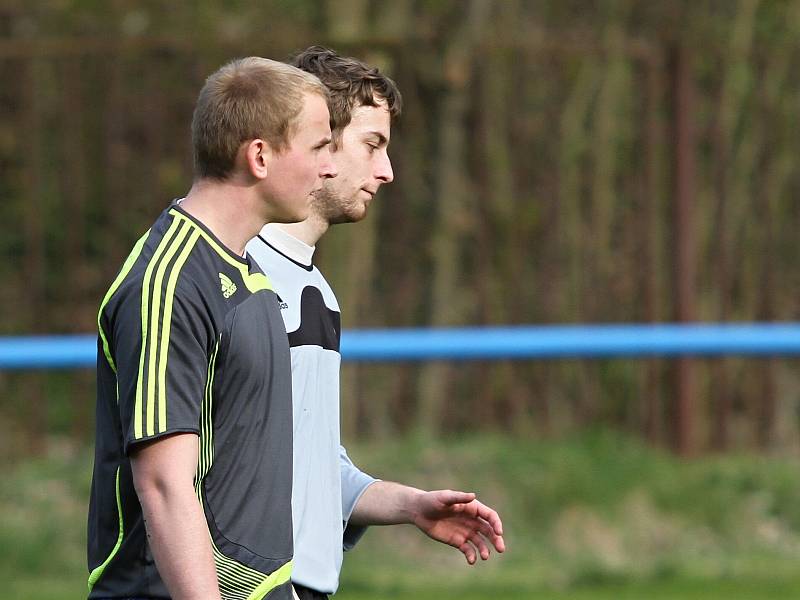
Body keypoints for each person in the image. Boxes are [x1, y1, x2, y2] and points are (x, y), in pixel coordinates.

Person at [246, 46, 505, 600]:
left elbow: (311, 470)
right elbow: (192, 473)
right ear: (318, 142)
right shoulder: (235, 281)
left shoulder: (315, 292)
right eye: (373, 145)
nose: (387, 172)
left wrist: (411, 505)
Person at [87, 57, 336, 600]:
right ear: (260, 156)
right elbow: (163, 483)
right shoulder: (168, 281)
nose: (329, 168)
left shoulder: (248, 270)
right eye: (319, 147)